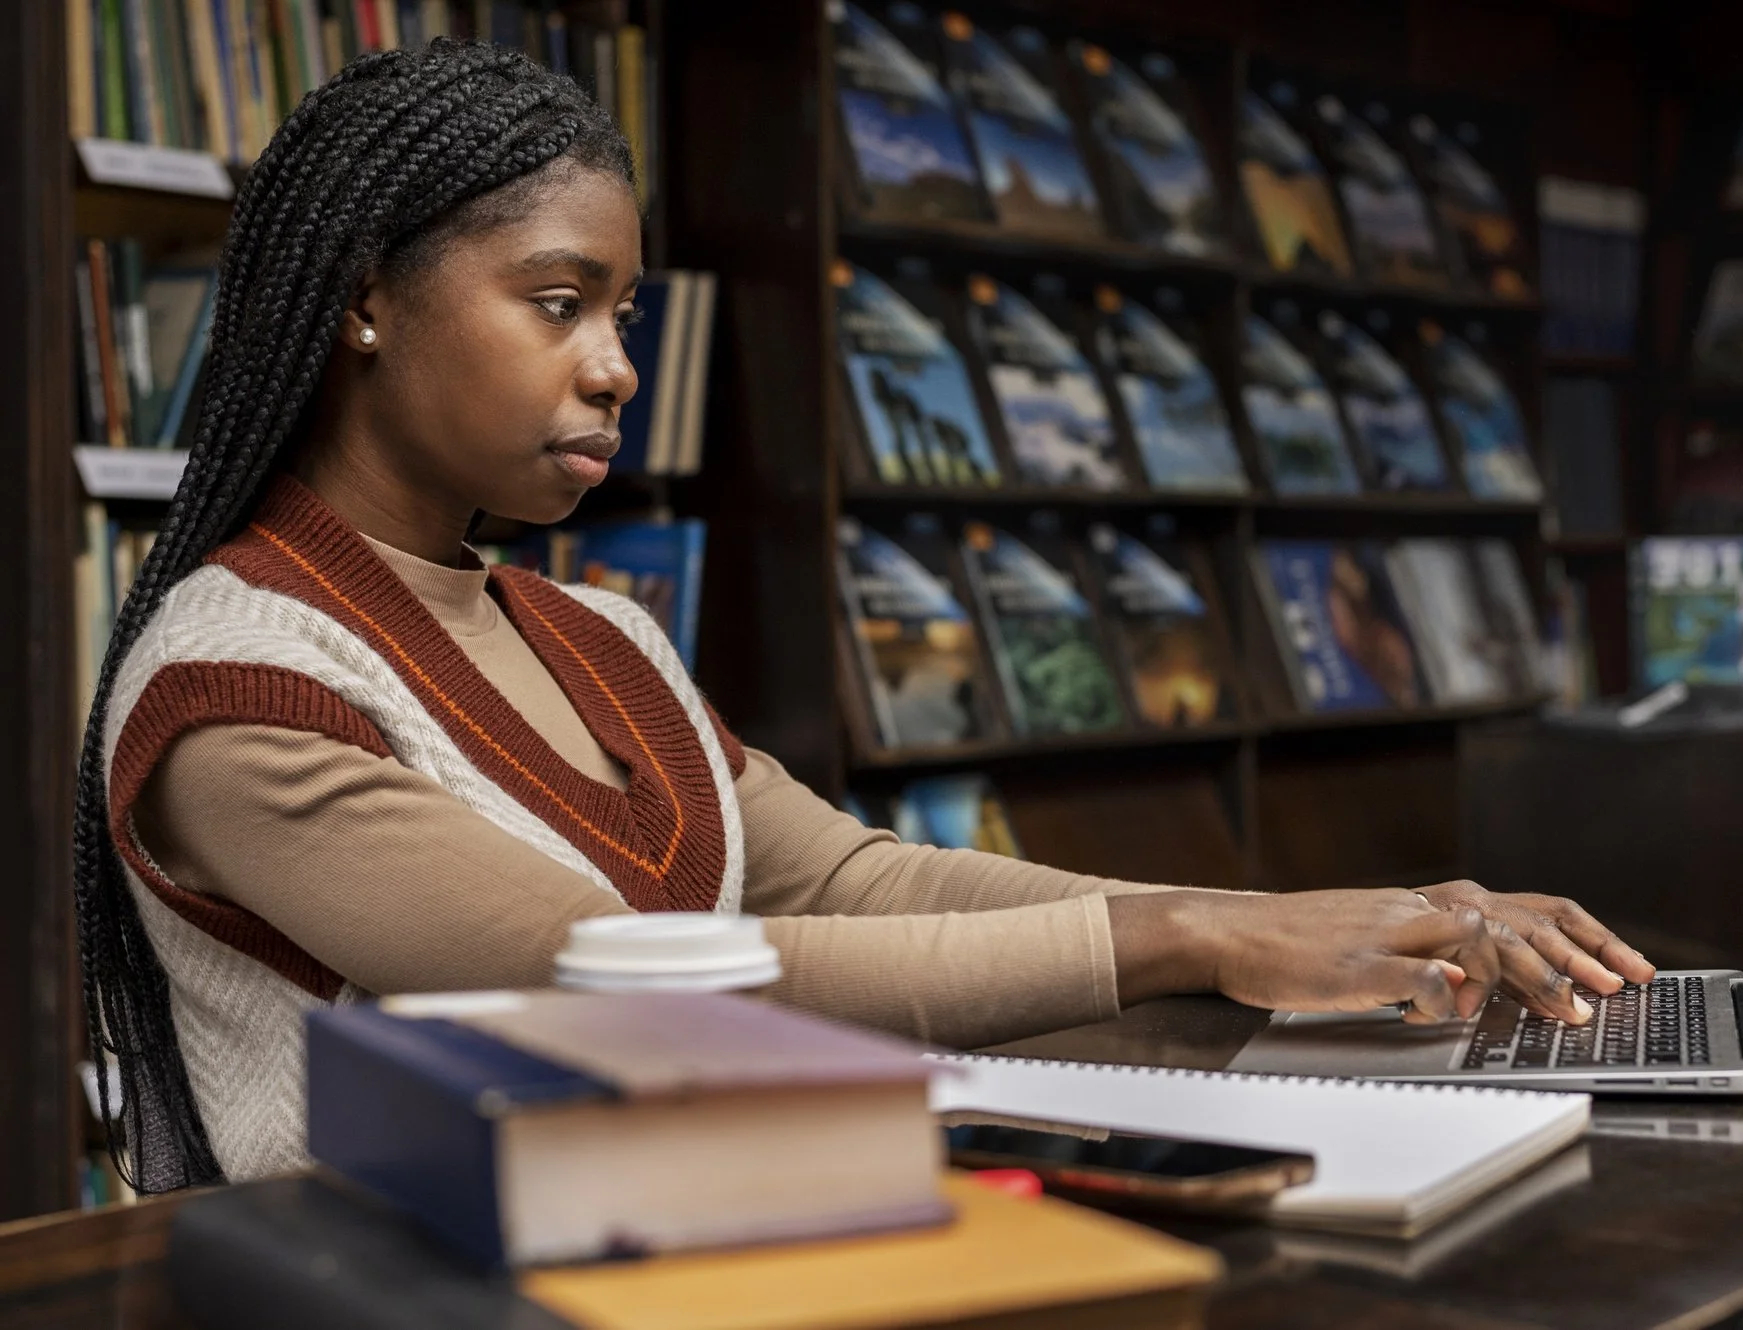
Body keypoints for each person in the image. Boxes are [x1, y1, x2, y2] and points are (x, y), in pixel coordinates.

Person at [73, 41, 1652, 1195]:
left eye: (625, 314)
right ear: (363, 301)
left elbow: (851, 875)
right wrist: (1203, 932)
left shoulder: (597, 637)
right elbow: (617, 981)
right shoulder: (241, 683)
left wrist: (1297, 923)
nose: (617, 365)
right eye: (560, 304)